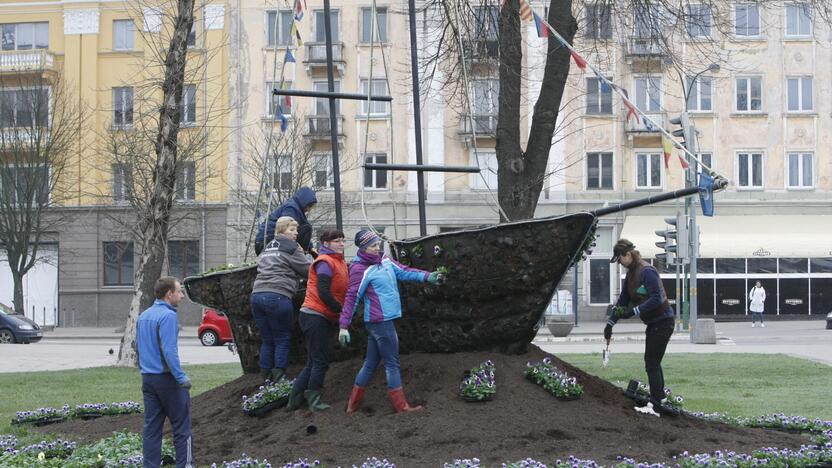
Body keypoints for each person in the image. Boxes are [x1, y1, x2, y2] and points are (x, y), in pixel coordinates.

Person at [339, 229, 443, 414]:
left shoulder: (384, 260)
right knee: (392, 363)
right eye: (373, 245)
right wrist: (343, 326)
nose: (377, 247)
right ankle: (402, 407)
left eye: (378, 243)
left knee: (371, 363)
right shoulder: (359, 269)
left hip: (380, 321)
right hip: (380, 322)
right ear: (363, 248)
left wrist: (428, 276)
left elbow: (404, 272)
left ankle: (352, 406)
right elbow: (352, 297)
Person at [604, 238, 676, 416]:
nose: (620, 264)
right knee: (652, 362)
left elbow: (656, 298)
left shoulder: (647, 271)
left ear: (627, 255)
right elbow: (622, 301)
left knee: (651, 362)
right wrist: (610, 323)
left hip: (663, 321)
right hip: (653, 323)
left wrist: (633, 311)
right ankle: (660, 399)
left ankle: (656, 404)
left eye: (620, 259)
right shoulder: (630, 274)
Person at [286, 229, 349, 412]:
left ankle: (294, 399)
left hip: (320, 316)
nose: (341, 244)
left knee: (313, 360)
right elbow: (323, 293)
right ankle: (313, 398)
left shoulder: (340, 263)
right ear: (326, 243)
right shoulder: (324, 263)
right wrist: (342, 310)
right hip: (315, 315)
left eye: (343, 240)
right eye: (337, 241)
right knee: (320, 360)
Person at [137, 276, 194, 468]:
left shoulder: (144, 316)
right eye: (179, 291)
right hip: (168, 381)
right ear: (169, 294)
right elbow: (169, 351)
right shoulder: (168, 316)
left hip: (148, 380)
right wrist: (181, 377)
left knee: (152, 430)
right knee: (182, 429)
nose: (182, 296)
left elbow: (138, 348)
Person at [251, 216, 312, 383]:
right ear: (281, 230)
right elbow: (307, 270)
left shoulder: (267, 247)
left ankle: (265, 378)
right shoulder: (291, 247)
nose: (296, 233)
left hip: (257, 295)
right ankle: (279, 379)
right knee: (282, 338)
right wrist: (307, 256)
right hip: (278, 295)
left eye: (296, 230)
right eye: (292, 230)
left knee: (267, 339)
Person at [255, 187, 317, 255]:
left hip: (266, 241)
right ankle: (298, 255)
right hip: (267, 242)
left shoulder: (296, 208)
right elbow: (287, 229)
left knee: (305, 227)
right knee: (307, 228)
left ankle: (299, 254)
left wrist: (311, 247)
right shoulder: (291, 208)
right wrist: (299, 250)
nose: (308, 209)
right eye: (309, 206)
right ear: (304, 201)